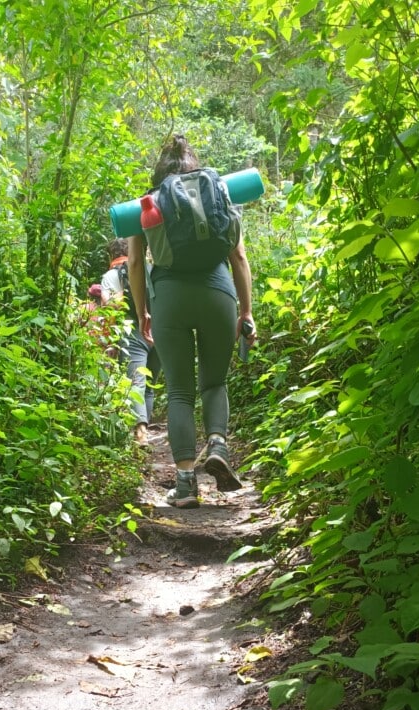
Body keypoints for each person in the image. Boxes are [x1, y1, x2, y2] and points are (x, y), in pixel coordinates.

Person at [126, 135, 257, 507]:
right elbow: (239, 258)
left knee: (180, 392)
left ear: (159, 170)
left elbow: (135, 264)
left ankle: (185, 485)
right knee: (214, 382)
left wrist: (142, 312)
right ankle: (218, 444)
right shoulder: (217, 192)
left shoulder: (146, 202)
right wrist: (246, 312)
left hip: (169, 298)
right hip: (218, 294)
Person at [101, 238, 161, 447]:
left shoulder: (110, 276)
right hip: (159, 330)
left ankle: (141, 434)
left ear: (112, 255)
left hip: (132, 332)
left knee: (136, 382)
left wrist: (109, 343)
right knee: (149, 385)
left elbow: (108, 308)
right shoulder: (151, 268)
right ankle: (143, 429)